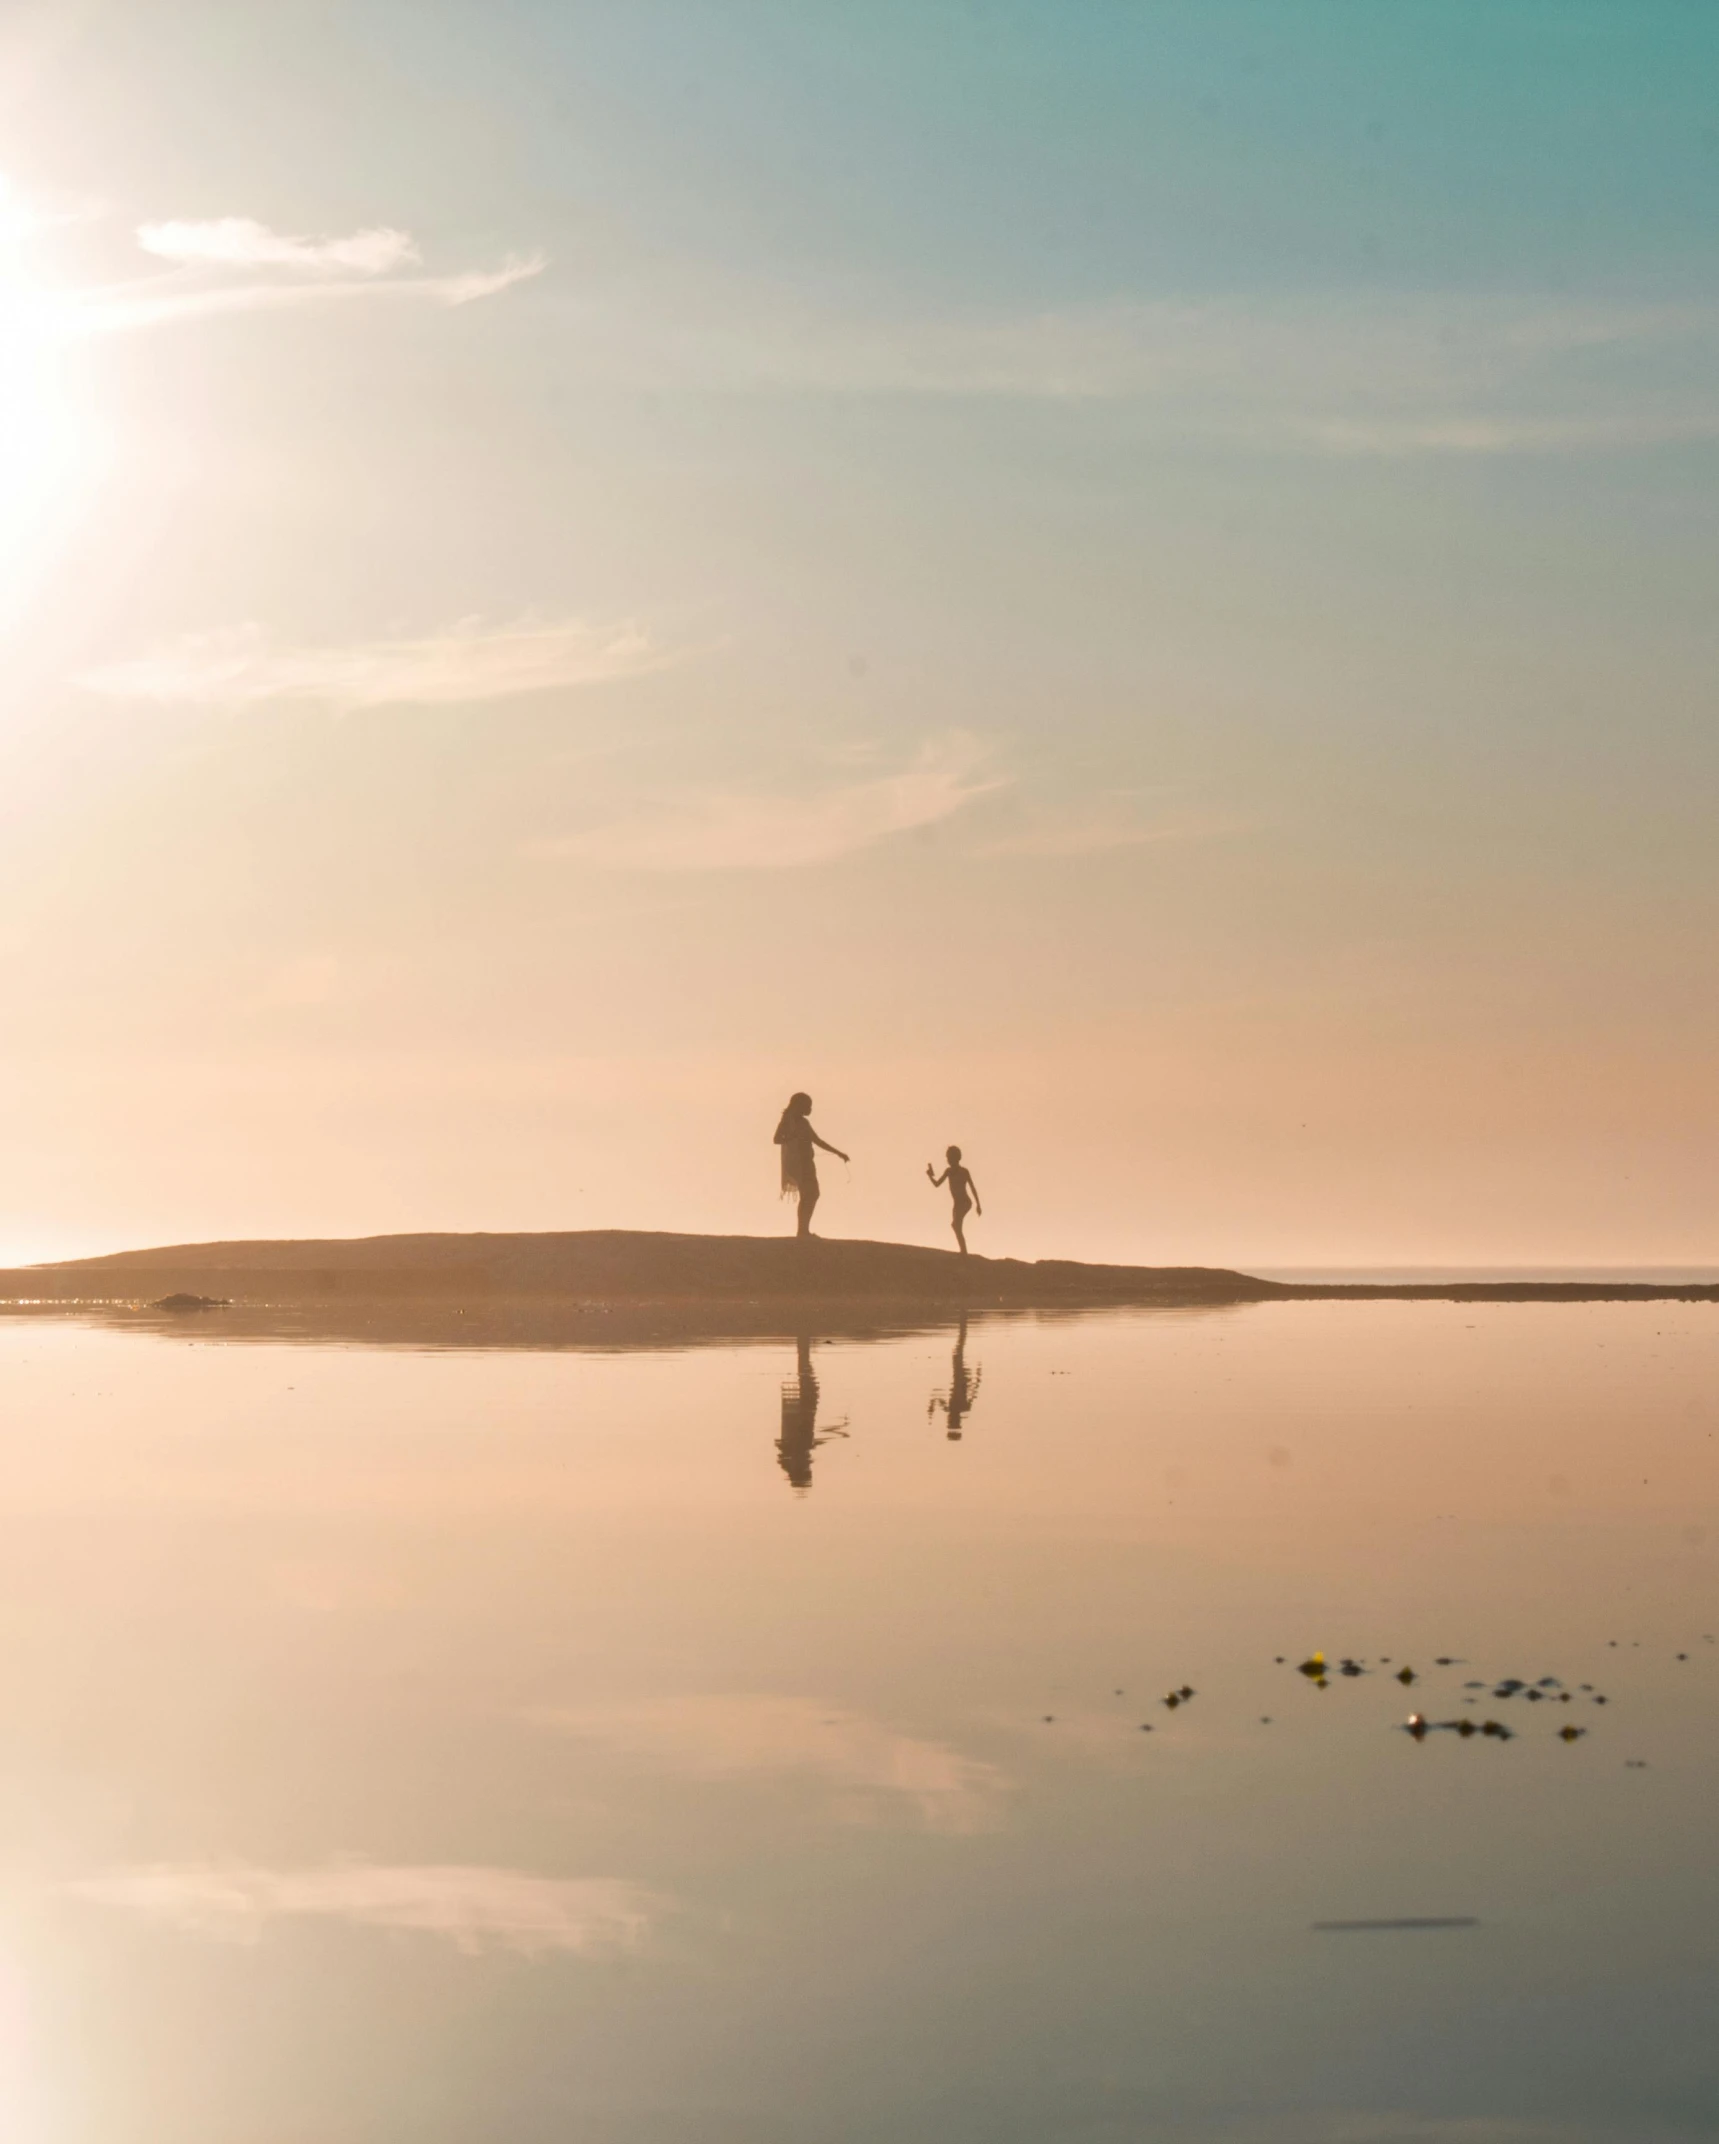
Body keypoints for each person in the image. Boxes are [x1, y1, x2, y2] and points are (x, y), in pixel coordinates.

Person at [774, 1092, 849, 1239]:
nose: (810, 1109)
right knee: (810, 1194)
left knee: (811, 1194)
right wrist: (792, 1137)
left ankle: (803, 1230)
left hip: (807, 1162)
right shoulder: (788, 1121)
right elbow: (776, 1139)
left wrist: (838, 1153)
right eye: (807, 1105)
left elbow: (817, 1140)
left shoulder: (803, 1122)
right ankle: (802, 1231)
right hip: (798, 1164)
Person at [926, 1145, 981, 1254]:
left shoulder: (964, 1171)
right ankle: (963, 1252)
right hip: (956, 1205)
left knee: (956, 1225)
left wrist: (978, 1204)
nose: (948, 1160)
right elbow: (937, 1184)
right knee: (957, 1227)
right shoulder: (948, 1171)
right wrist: (929, 1176)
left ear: (956, 1158)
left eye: (949, 1157)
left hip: (965, 1203)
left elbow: (972, 1187)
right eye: (947, 1157)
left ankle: (964, 1252)